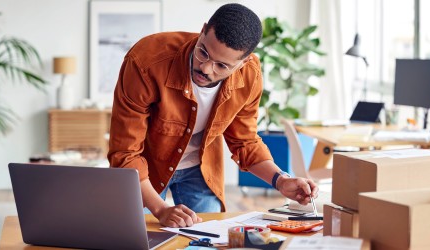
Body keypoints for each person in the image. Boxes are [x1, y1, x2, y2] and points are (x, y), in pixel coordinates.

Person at [108, 3, 318, 228]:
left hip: (201, 169)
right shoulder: (146, 61)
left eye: (221, 65)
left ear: (243, 63)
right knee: (134, 236)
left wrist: (281, 180)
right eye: (203, 52)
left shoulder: (249, 75)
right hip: (145, 171)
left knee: (204, 238)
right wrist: (160, 209)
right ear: (203, 30)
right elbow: (125, 153)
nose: (206, 68)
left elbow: (245, 142)